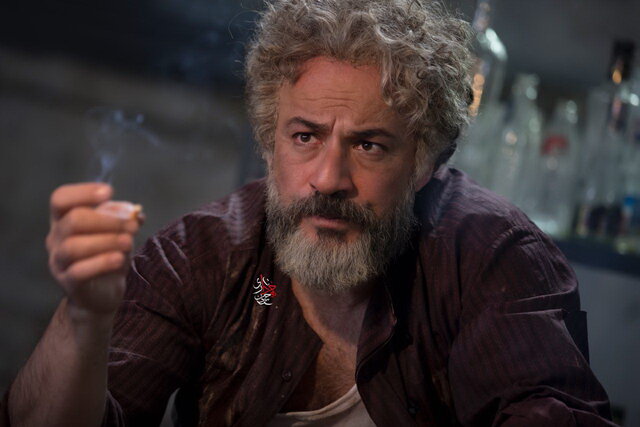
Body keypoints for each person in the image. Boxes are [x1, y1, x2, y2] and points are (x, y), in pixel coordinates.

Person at [2, 0, 614, 426]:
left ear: (425, 162)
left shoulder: (492, 259)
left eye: (369, 145)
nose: (327, 179)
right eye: (304, 137)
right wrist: (83, 317)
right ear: (269, 145)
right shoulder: (210, 260)